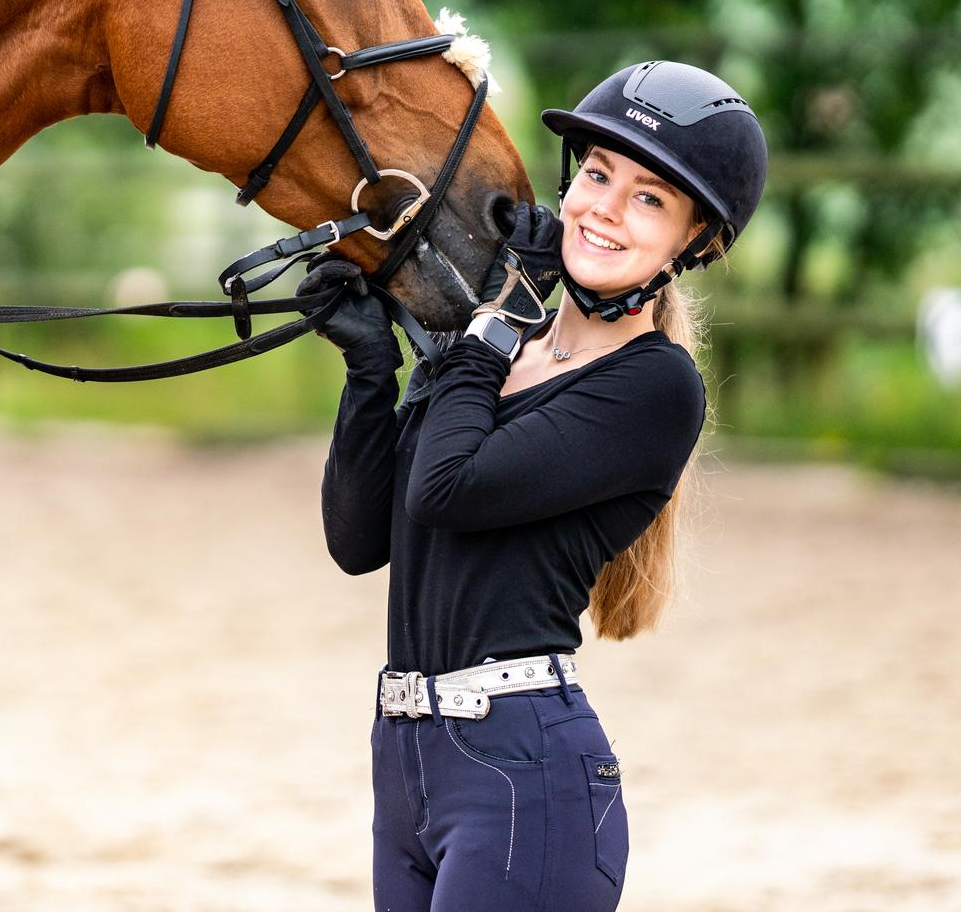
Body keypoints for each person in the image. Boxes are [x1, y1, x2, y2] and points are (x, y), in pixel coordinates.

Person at [301, 59, 767, 912]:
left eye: (650, 199)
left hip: (522, 780)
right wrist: (370, 371)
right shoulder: (492, 348)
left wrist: (492, 323)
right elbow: (360, 540)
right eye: (597, 175)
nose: (604, 210)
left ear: (695, 242)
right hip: (406, 764)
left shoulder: (655, 388)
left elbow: (449, 490)